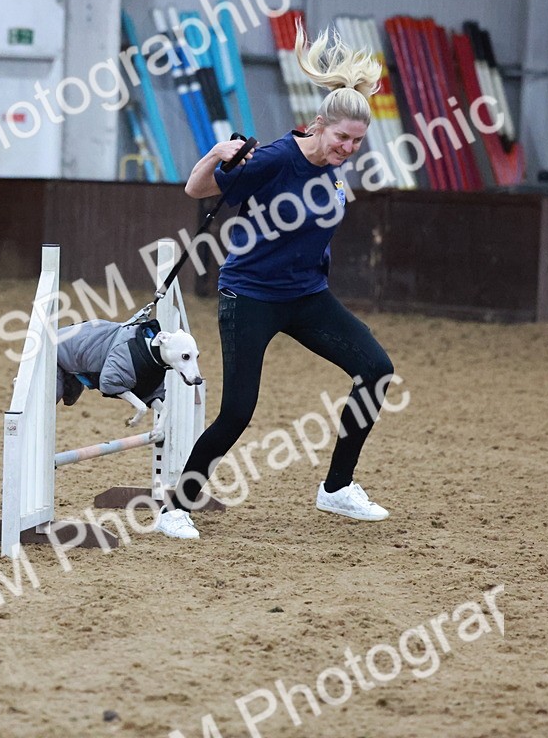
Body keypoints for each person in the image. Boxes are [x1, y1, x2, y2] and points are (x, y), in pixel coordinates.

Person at [155, 27, 396, 540]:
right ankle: (177, 505)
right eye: (342, 139)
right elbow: (196, 189)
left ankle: (336, 489)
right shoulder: (274, 159)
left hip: (306, 296)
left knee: (376, 370)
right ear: (318, 126)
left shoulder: (332, 170)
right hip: (251, 295)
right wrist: (217, 153)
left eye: (357, 142)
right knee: (238, 411)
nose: (349, 149)